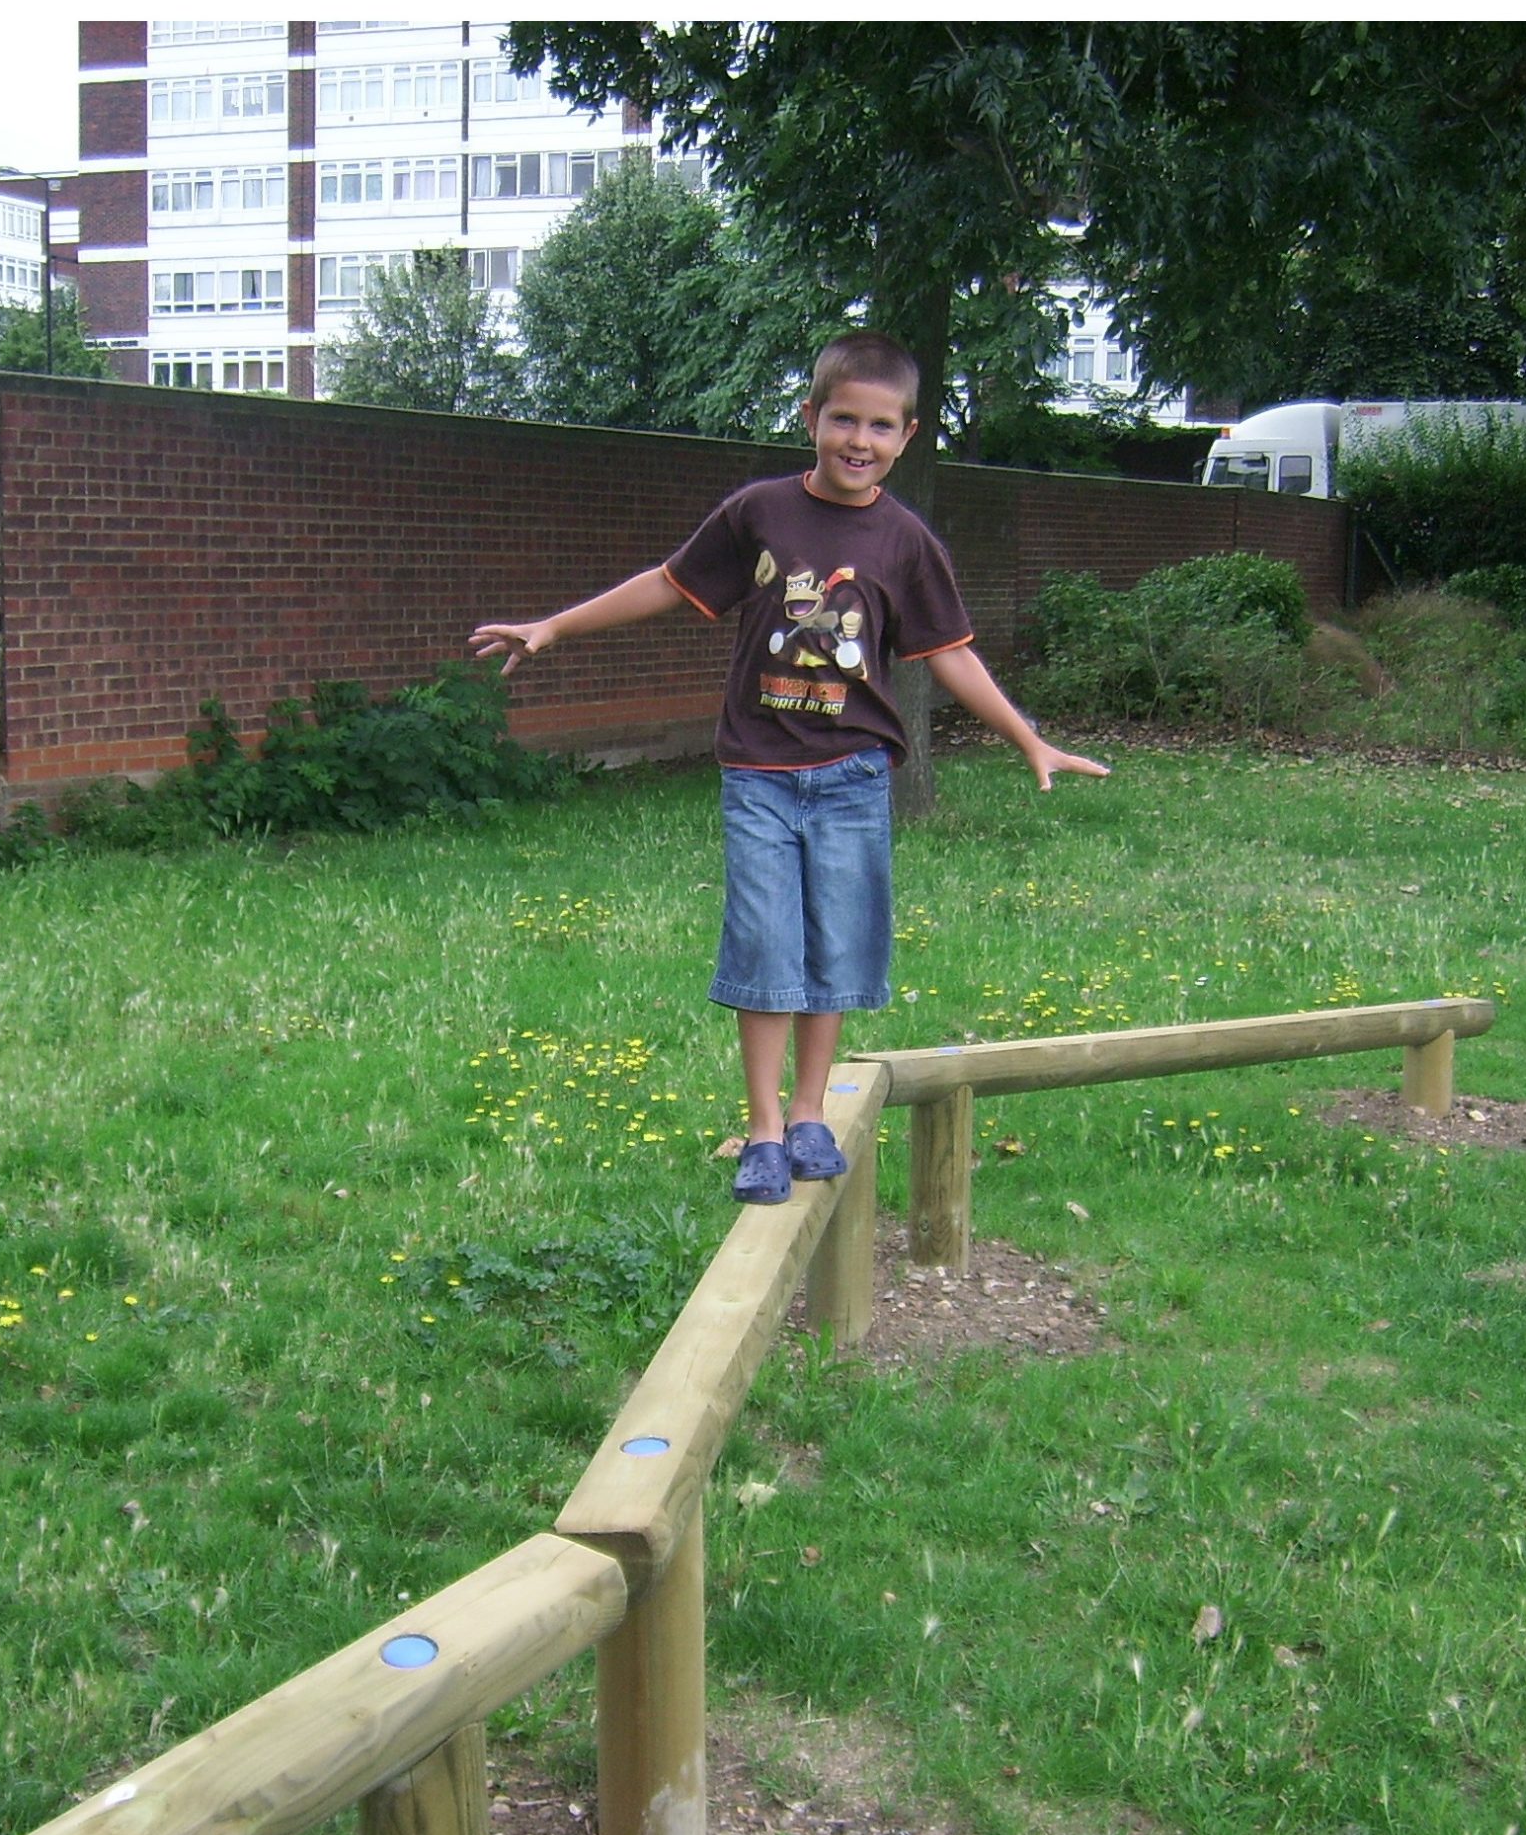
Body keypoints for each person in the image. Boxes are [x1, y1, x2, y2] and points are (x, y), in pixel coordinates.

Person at [469, 329, 1110, 1204]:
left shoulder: (906, 541)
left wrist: (1025, 736)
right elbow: (669, 582)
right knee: (766, 945)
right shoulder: (759, 512)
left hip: (853, 777)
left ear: (906, 438)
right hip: (759, 777)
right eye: (843, 419)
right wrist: (555, 625)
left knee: (834, 946)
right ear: (810, 418)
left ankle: (811, 1112)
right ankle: (764, 1129)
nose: (860, 440)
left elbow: (950, 653)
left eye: (881, 427)